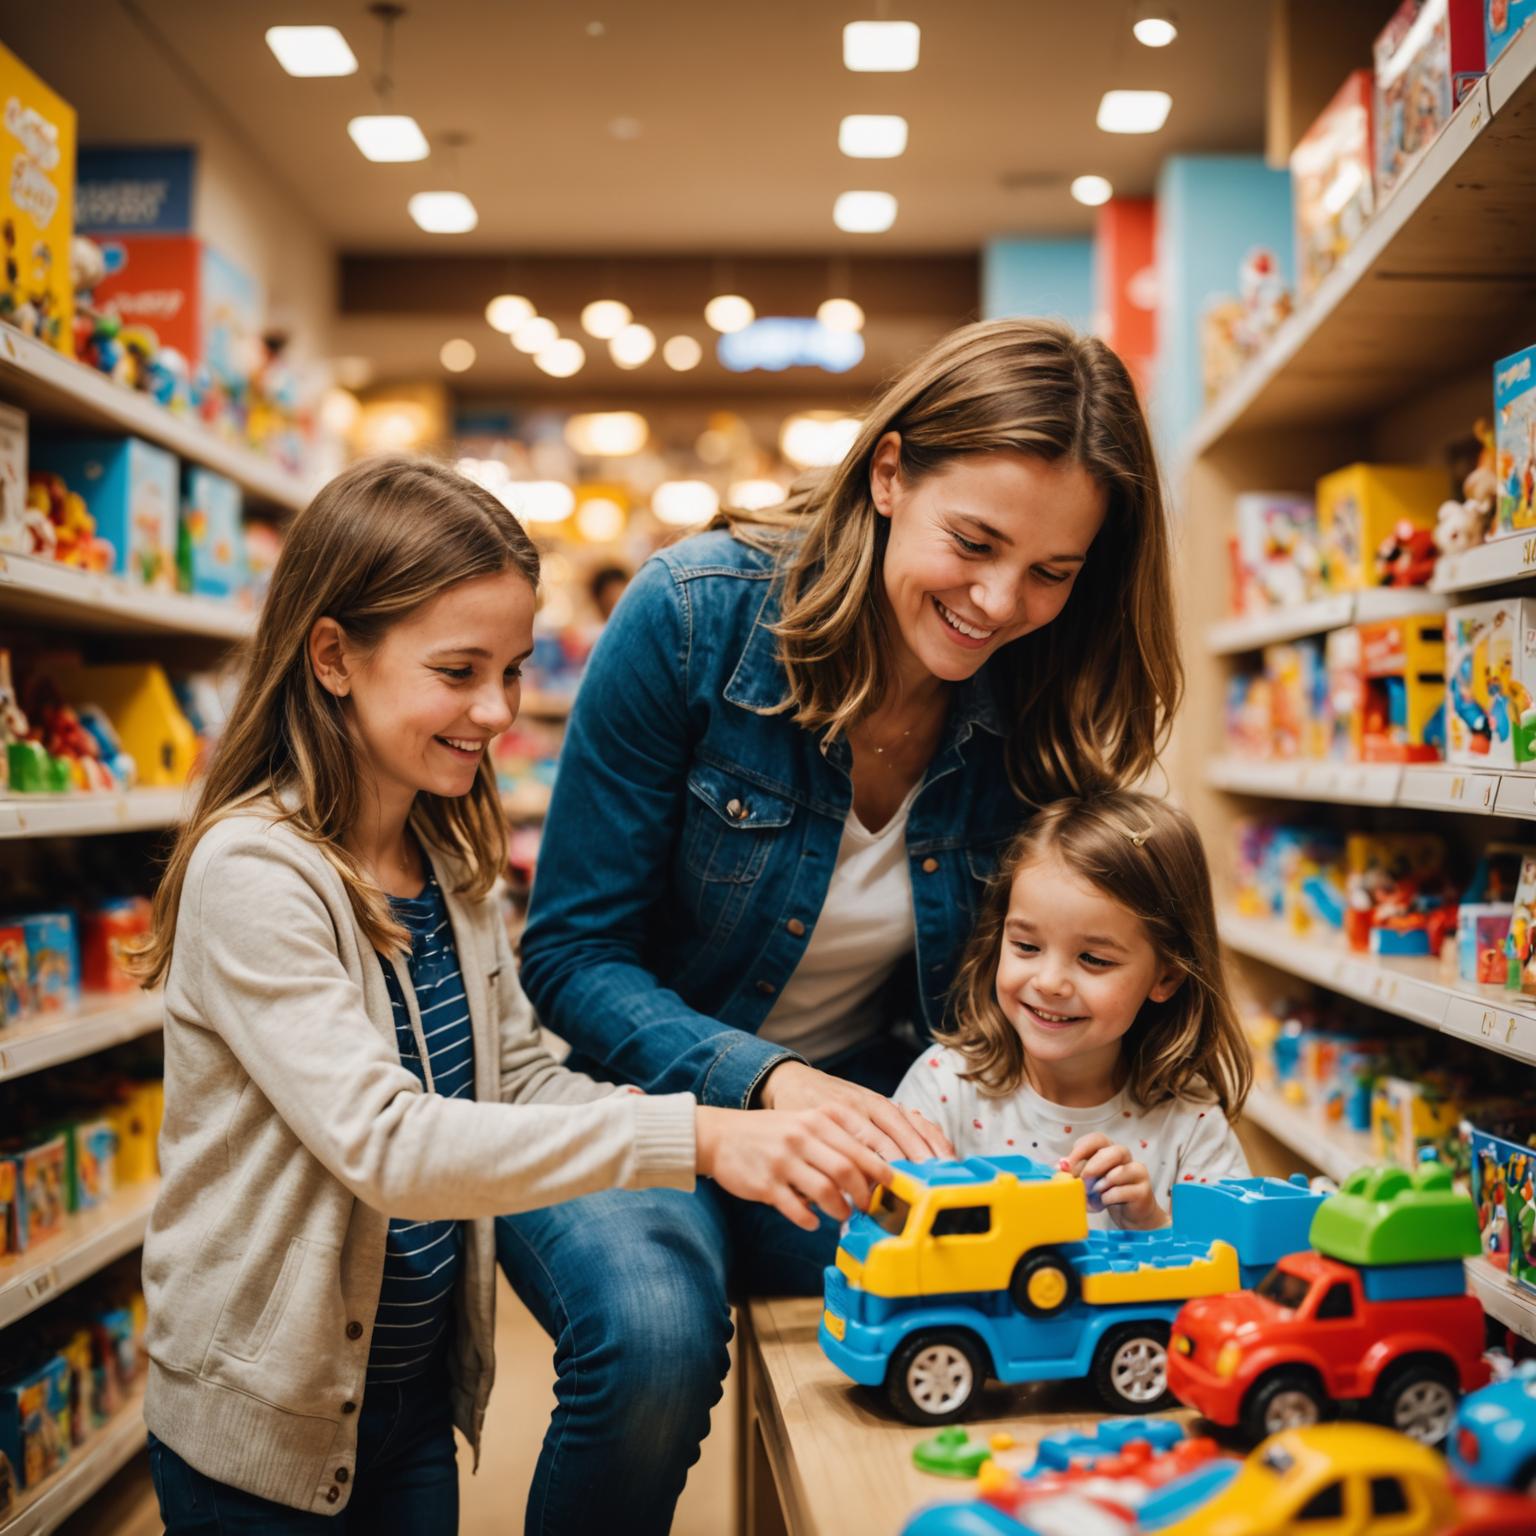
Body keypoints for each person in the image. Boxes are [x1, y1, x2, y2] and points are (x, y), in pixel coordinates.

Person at [500, 317, 1185, 1533]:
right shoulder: (693, 620)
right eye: (972, 543)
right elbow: (568, 953)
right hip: (631, 1108)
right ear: (887, 475)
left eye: (1053, 571)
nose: (999, 602)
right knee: (657, 1336)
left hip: (877, 1116)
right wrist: (763, 1085)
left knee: (1013, 1311)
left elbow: (1036, 974)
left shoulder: (1043, 694)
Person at [129, 456, 890, 1534]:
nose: (494, 711)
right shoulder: (256, 874)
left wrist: (665, 1116)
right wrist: (694, 1141)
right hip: (265, 1428)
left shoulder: (444, 855)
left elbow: (515, 1072)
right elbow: (387, 1145)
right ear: (334, 655)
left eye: (512, 669)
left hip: (407, 1406)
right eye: (457, 671)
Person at [893, 791, 1252, 1225]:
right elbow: (878, 1226)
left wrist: (1152, 1222)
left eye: (1094, 959)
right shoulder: (943, 1089)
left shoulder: (1190, 1125)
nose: (1049, 983)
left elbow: (1230, 1272)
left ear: (1166, 977)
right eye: (1026, 946)